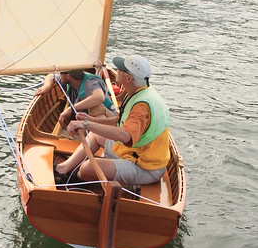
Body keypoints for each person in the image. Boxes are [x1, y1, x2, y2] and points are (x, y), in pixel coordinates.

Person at [54, 55, 170, 185]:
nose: (117, 70)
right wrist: (91, 120)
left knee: (87, 169)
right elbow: (119, 121)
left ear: (129, 78)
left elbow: (125, 136)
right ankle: (63, 169)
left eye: (121, 69)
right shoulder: (138, 92)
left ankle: (77, 176)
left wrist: (86, 124)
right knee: (96, 134)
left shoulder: (141, 107)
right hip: (134, 152)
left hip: (145, 166)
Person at [35, 69, 117, 128]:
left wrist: (71, 108)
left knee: (95, 107)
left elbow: (99, 97)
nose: (59, 75)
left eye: (60, 73)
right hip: (89, 119)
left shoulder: (90, 83)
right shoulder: (70, 80)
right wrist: (47, 87)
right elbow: (51, 76)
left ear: (68, 76)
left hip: (108, 119)